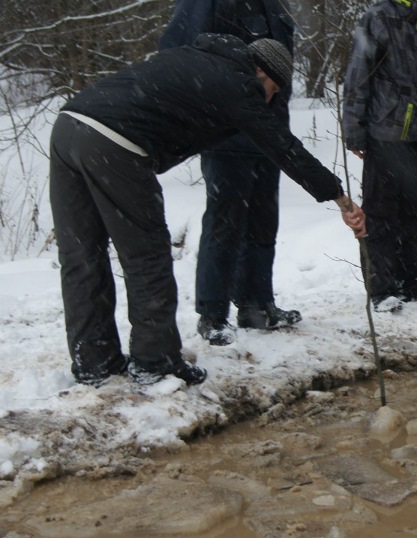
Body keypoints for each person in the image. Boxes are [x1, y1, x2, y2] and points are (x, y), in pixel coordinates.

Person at [49, 35, 365, 387]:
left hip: (68, 125)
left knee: (81, 255)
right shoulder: (238, 84)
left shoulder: (200, 57)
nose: (270, 99)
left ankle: (95, 362)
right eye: (273, 89)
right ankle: (156, 363)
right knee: (147, 256)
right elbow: (284, 148)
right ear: (262, 72)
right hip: (115, 142)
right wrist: (340, 198)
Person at [159, 0, 299, 346]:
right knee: (225, 223)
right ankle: (213, 314)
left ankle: (257, 305)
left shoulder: (277, 7)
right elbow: (176, 50)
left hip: (270, 132)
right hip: (226, 133)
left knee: (264, 222)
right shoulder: (206, 3)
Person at [342, 0, 417, 313]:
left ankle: (415, 283)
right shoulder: (377, 17)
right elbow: (357, 77)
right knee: (380, 213)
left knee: (414, 212)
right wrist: (354, 130)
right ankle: (382, 290)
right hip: (383, 133)